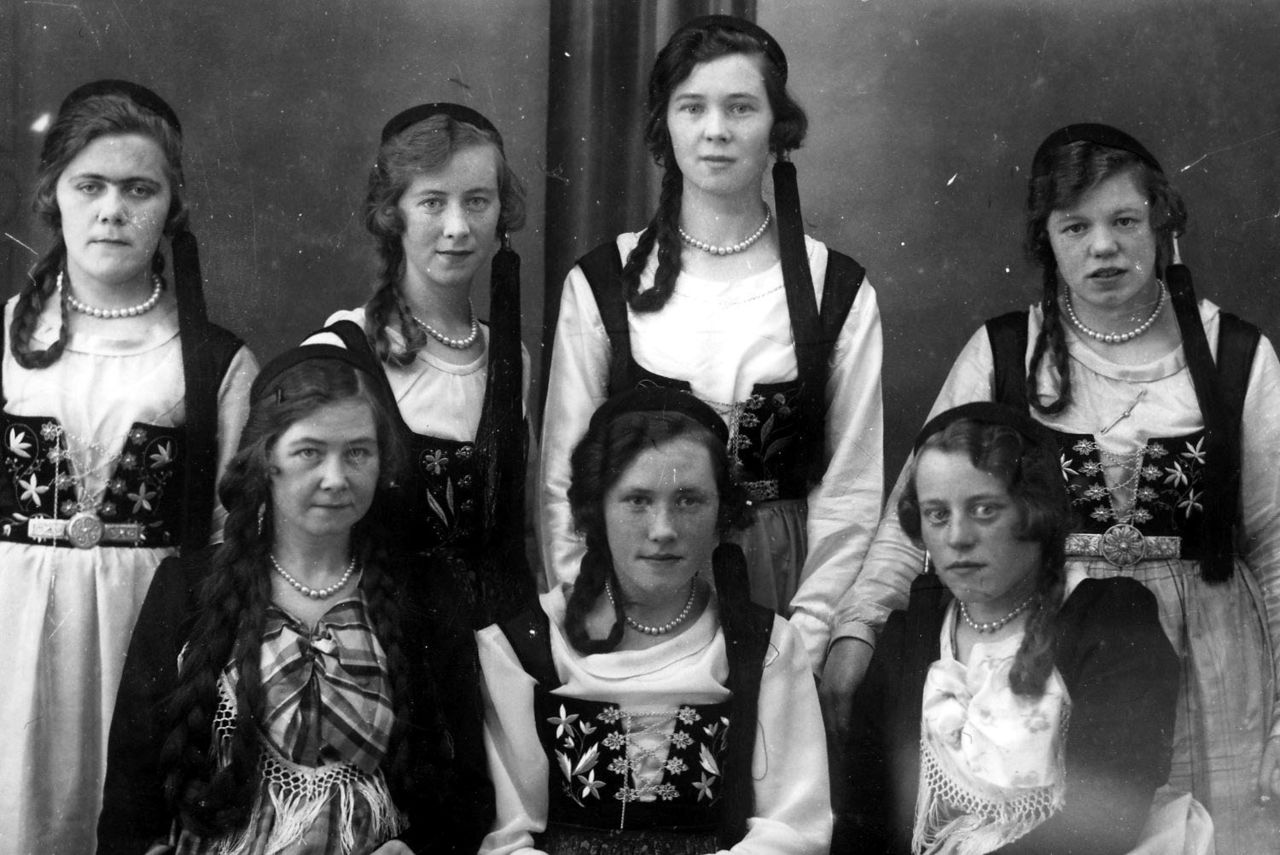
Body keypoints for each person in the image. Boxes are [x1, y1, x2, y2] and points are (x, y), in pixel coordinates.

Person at [824, 124, 1280, 853]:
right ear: (1047, 239)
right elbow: (919, 514)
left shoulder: (1237, 355)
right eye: (1076, 227)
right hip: (1051, 657)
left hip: (1217, 668)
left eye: (1125, 221)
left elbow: (1278, 545)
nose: (1103, 247)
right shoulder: (1006, 352)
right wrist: (858, 628)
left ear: (1161, 225)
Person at [538, 14, 884, 669]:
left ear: (777, 127)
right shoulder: (603, 282)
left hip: (783, 591)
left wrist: (805, 638)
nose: (716, 130)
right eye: (692, 107)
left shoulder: (836, 289)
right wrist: (593, 616)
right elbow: (564, 484)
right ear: (664, 125)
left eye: (741, 108)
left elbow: (851, 492)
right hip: (635, 593)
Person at [97, 338, 493, 854]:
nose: (336, 478)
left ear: (383, 461)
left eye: (358, 452)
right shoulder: (187, 589)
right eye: (310, 452)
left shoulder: (424, 592)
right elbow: (131, 794)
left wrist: (419, 850)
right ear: (267, 459)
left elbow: (467, 790)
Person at [0, 79, 257, 852]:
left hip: (146, 636)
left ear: (172, 205)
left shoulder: (212, 362)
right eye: (91, 186)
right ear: (54, 195)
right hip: (14, 637)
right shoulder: (7, 340)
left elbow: (231, 540)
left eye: (139, 189)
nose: (113, 209)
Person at [479, 387, 831, 855]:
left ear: (721, 512)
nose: (663, 529)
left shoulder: (767, 647)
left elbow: (793, 831)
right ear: (596, 509)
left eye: (688, 500)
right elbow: (505, 841)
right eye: (638, 500)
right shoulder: (521, 649)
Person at [842, 402, 1181, 854]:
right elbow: (863, 823)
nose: (957, 537)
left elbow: (1104, 826)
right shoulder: (909, 639)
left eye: (984, 510)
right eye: (937, 515)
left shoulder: (1109, 619)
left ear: (1036, 512)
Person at [326, 102, 533, 627]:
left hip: (497, 645)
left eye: (478, 201)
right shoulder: (347, 350)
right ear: (392, 214)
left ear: (502, 213)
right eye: (433, 203)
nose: (458, 227)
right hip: (381, 638)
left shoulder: (511, 358)